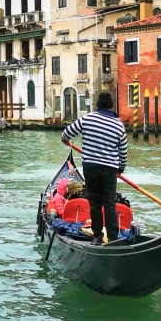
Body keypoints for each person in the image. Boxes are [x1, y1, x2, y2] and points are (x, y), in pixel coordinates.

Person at [60, 92, 128, 243]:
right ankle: (112, 238)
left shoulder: (87, 119)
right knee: (110, 203)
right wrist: (120, 168)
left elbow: (66, 133)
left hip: (90, 166)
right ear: (111, 106)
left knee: (95, 202)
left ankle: (97, 237)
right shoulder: (118, 125)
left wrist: (66, 140)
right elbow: (123, 151)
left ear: (98, 105)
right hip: (109, 168)